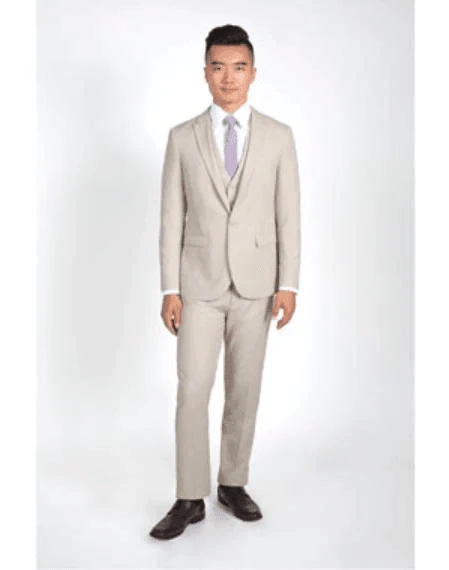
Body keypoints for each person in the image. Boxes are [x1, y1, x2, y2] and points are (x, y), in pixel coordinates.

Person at [150, 24, 300, 540]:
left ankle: (233, 483)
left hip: (258, 284)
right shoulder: (182, 138)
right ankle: (189, 496)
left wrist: (289, 283)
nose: (228, 78)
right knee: (192, 389)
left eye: (238, 67)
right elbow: (172, 217)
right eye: (218, 67)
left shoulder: (279, 137)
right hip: (199, 285)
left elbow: (288, 216)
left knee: (245, 388)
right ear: (206, 73)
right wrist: (170, 288)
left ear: (253, 73)